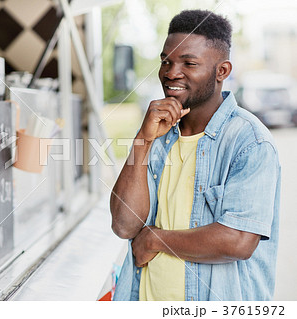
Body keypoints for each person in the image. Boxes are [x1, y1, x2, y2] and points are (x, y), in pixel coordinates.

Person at [110, 9, 281, 301]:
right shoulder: (157, 136)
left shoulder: (249, 142)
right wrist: (143, 139)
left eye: (188, 63)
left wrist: (156, 239)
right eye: (166, 61)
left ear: (222, 71)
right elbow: (124, 225)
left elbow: (239, 241)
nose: (171, 72)